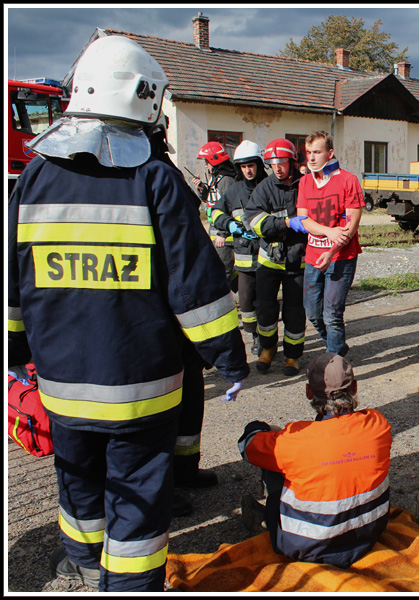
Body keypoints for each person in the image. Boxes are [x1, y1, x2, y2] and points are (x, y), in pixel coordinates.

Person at [8, 35, 249, 591]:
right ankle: (132, 584)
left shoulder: (34, 180)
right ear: (145, 99)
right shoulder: (156, 179)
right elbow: (197, 289)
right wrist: (227, 360)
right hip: (142, 388)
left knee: (78, 479)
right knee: (138, 493)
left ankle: (83, 560)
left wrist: (16, 354)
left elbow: (12, 285)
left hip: (62, 385)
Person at [238, 353, 391, 568]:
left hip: (306, 545)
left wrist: (260, 428)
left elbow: (246, 446)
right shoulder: (378, 424)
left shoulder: (294, 440)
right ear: (355, 387)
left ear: (309, 392)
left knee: (275, 464)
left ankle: (269, 519)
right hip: (368, 534)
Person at [296, 131, 364, 356]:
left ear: (330, 153)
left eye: (317, 152)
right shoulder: (305, 182)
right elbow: (304, 220)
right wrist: (328, 232)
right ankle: (337, 347)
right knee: (313, 314)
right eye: (308, 153)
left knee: (332, 314)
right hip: (313, 256)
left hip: (341, 257)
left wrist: (331, 250)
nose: (311, 158)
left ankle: (334, 363)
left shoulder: (348, 180)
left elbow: (351, 226)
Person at [246, 139, 310, 375]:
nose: (277, 168)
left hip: (298, 260)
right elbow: (254, 221)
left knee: (294, 311)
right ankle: (268, 349)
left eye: (282, 162)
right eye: (273, 163)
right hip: (269, 262)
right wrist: (284, 223)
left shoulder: (305, 185)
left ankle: (292, 356)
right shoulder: (264, 188)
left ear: (292, 161)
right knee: (265, 308)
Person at [212, 141, 268, 356]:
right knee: (245, 302)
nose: (247, 170)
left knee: (265, 302)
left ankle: (264, 339)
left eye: (251, 165)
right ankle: (254, 334)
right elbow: (215, 213)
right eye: (243, 166)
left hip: (267, 258)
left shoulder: (269, 186)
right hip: (244, 259)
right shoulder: (234, 191)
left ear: (259, 165)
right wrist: (228, 224)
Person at [193, 141, 239, 289]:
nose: (206, 165)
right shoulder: (216, 178)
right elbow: (212, 202)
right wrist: (201, 189)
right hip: (216, 233)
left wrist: (223, 233)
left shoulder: (226, 181)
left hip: (225, 237)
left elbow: (230, 208)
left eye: (207, 162)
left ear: (214, 161)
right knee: (221, 270)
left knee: (222, 271)